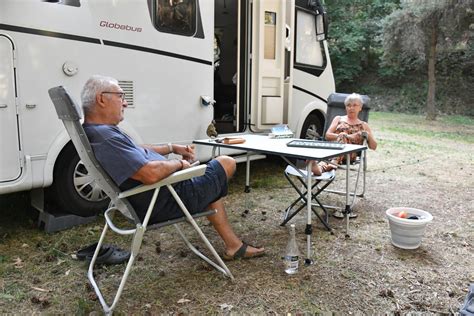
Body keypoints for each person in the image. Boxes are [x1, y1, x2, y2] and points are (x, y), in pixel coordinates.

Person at [80, 75, 264, 260]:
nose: (125, 103)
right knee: (226, 163)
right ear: (102, 99)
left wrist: (171, 148)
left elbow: (137, 150)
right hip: (162, 201)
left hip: (159, 193)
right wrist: (180, 164)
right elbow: (150, 174)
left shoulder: (99, 131)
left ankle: (234, 245)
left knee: (208, 181)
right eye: (121, 96)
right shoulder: (107, 138)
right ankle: (234, 245)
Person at [311, 93, 377, 175]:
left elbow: (373, 147)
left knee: (342, 137)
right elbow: (327, 135)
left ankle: (331, 162)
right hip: (333, 150)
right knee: (340, 138)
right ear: (345, 107)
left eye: (354, 105)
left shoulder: (364, 125)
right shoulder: (338, 118)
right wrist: (342, 136)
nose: (351, 108)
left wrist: (367, 134)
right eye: (348, 105)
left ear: (360, 108)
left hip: (349, 153)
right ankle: (319, 169)